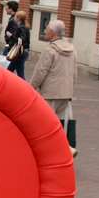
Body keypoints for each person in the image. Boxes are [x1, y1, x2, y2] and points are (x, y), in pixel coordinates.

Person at [29, 17, 78, 157]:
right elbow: (75, 72)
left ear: (53, 33)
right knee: (63, 124)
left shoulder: (50, 50)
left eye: (47, 29)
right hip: (66, 92)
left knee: (46, 123)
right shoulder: (72, 49)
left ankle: (48, 151)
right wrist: (71, 89)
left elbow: (41, 71)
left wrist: (31, 87)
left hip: (50, 92)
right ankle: (66, 148)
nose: (45, 31)